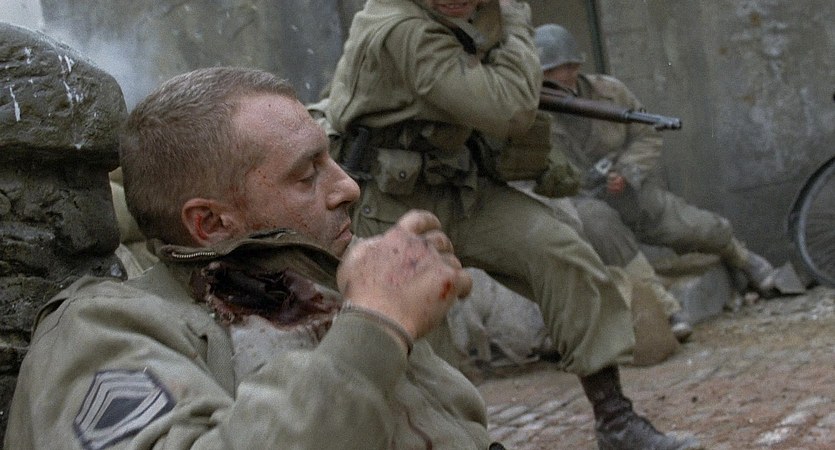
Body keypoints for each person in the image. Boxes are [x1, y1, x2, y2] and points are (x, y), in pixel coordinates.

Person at [5, 67, 498, 449]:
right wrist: (376, 326)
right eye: (307, 175)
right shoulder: (99, 329)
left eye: (329, 158)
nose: (348, 187)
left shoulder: (333, 284)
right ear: (210, 222)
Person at [325, 1, 701, 448]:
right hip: (390, 199)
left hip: (459, 184)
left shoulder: (469, 12)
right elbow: (510, 109)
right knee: (420, 340)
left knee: (560, 251)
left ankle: (616, 420)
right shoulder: (400, 28)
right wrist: (516, 19)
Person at [532, 23, 779, 336]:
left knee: (695, 227)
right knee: (599, 223)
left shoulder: (609, 92)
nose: (563, 76)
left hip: (626, 191)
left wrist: (627, 171)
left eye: (569, 67)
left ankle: (741, 257)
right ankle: (666, 308)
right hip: (578, 203)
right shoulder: (529, 111)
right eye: (551, 72)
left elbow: (646, 135)